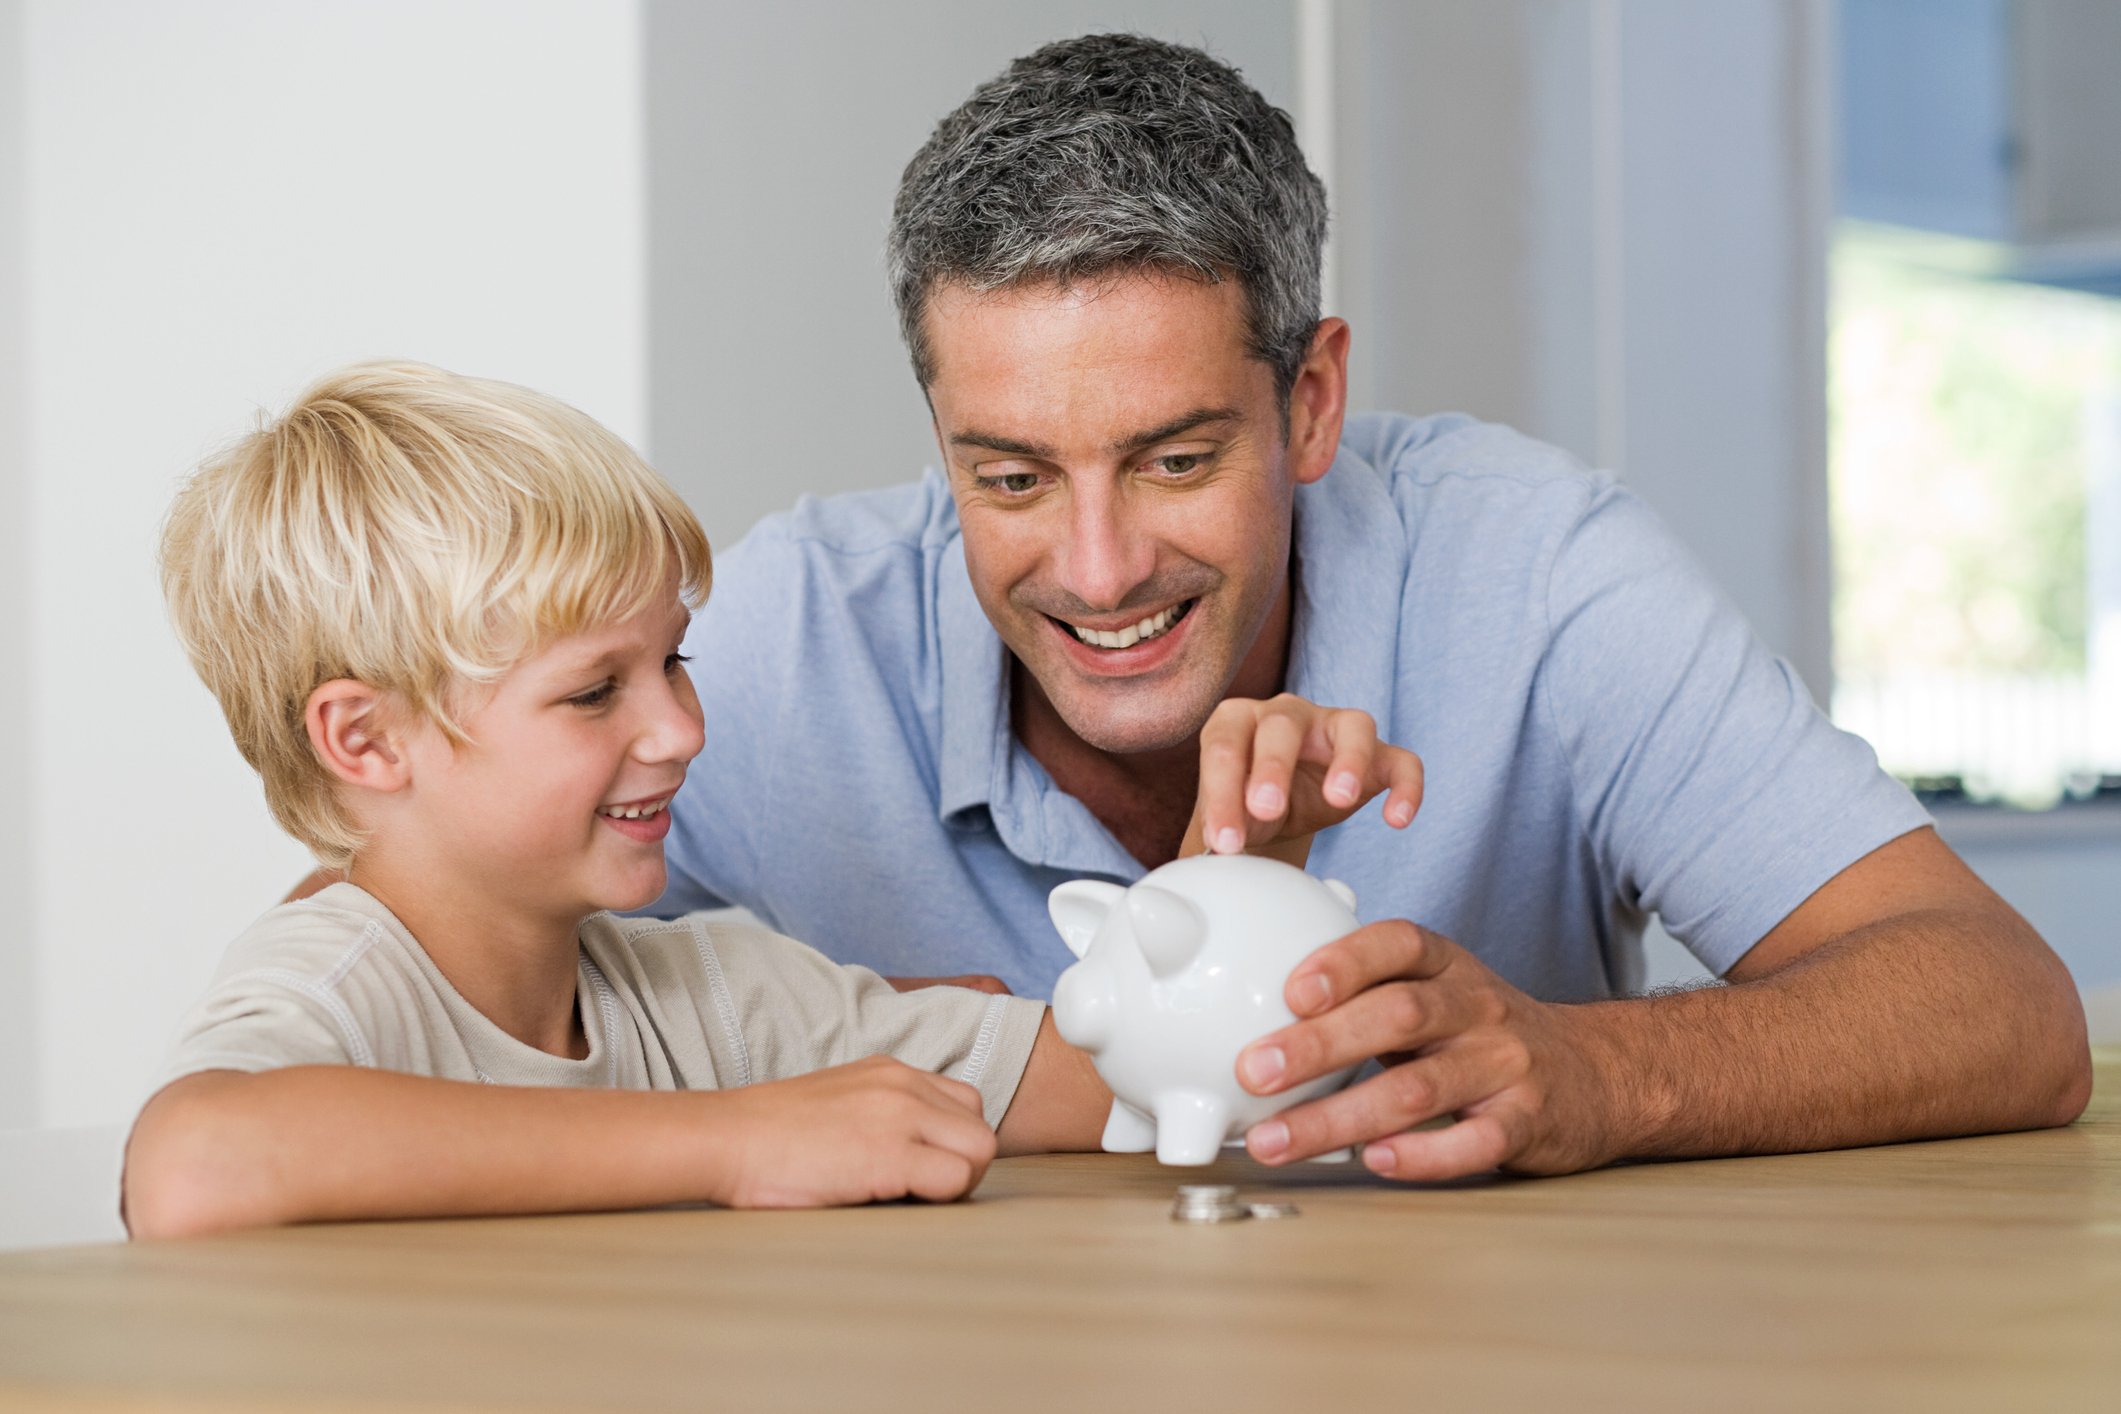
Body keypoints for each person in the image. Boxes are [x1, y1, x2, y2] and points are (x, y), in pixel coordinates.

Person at [649, 34, 2092, 1182]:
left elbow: (2006, 1009)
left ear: (1312, 400)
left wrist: (1594, 1072)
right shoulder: (786, 639)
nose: (1096, 570)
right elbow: (451, 1016)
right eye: (1011, 476)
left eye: (1176, 459)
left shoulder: (1537, 575)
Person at [125, 362, 1141, 1237]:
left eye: (674, 660)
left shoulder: (717, 998)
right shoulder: (340, 983)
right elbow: (193, 1163)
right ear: (367, 740)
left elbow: (1133, 1075)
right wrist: (737, 1139)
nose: (683, 729)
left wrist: (1255, 863)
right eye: (594, 691)